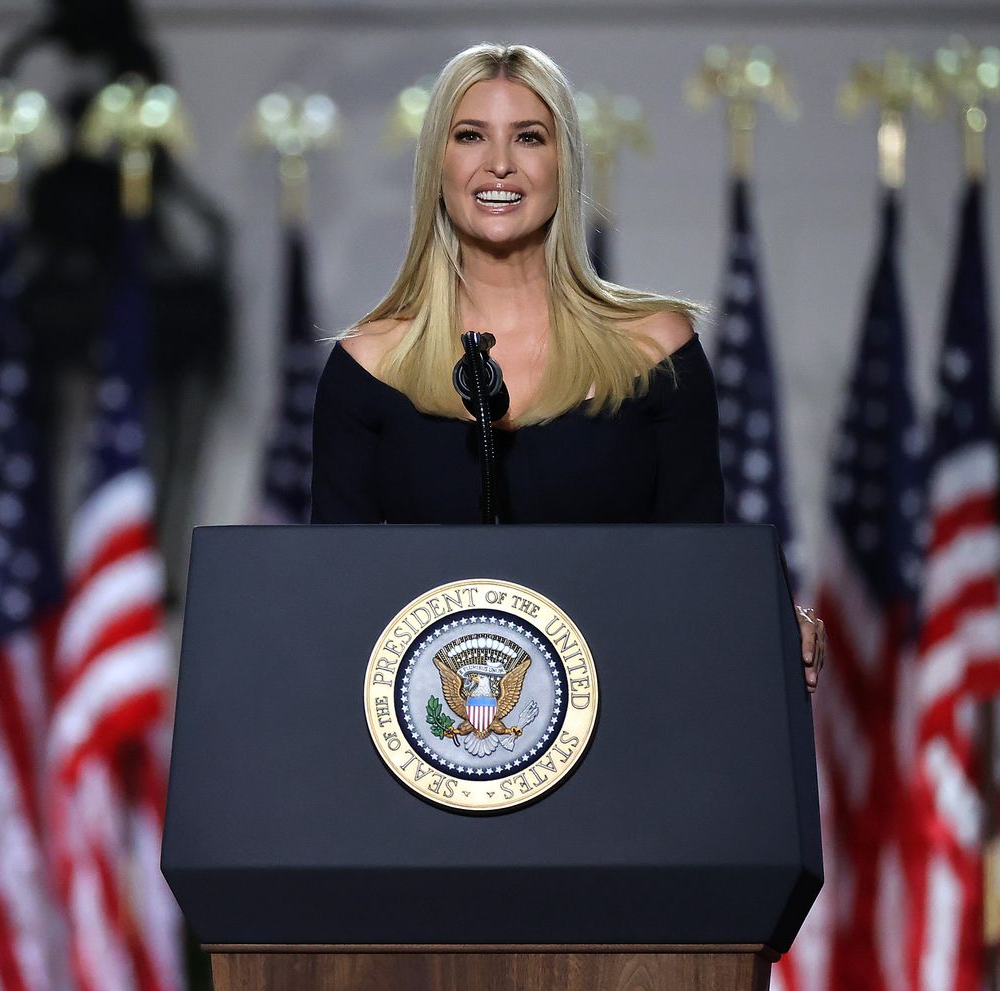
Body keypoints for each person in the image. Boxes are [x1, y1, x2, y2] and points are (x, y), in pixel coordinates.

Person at [311, 42, 825, 690]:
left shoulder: (654, 351)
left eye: (529, 137)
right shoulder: (368, 365)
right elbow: (328, 599)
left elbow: (701, 564)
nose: (499, 163)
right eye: (470, 135)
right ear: (436, 163)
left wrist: (768, 618)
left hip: (633, 720)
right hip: (433, 742)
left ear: (564, 163)